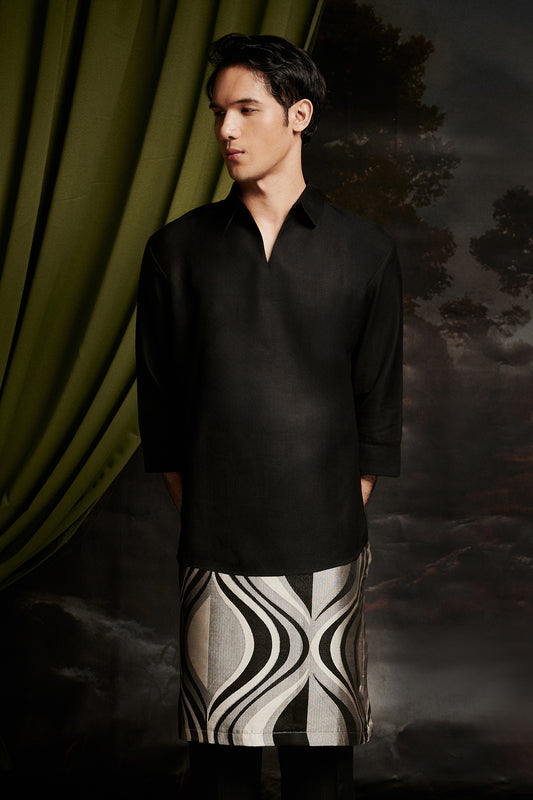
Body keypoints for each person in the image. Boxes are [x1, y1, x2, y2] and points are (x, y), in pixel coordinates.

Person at [136, 33, 402, 800]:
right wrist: (204, 506)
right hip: (215, 540)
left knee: (321, 770)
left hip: (326, 543)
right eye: (218, 112)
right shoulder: (176, 251)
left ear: (298, 115)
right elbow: (161, 404)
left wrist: (334, 511)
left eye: (246, 110)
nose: (225, 129)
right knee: (220, 767)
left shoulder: (364, 250)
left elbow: (376, 403)